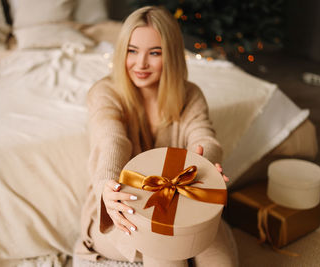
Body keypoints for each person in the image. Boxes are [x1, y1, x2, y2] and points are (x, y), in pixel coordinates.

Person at [74, 6, 238, 267]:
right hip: (122, 210)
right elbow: (112, 141)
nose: (141, 64)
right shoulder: (104, 93)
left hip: (181, 208)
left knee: (219, 259)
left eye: (154, 53)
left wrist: (205, 161)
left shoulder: (190, 94)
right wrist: (107, 185)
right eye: (132, 51)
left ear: (171, 55)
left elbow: (204, 137)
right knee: (163, 254)